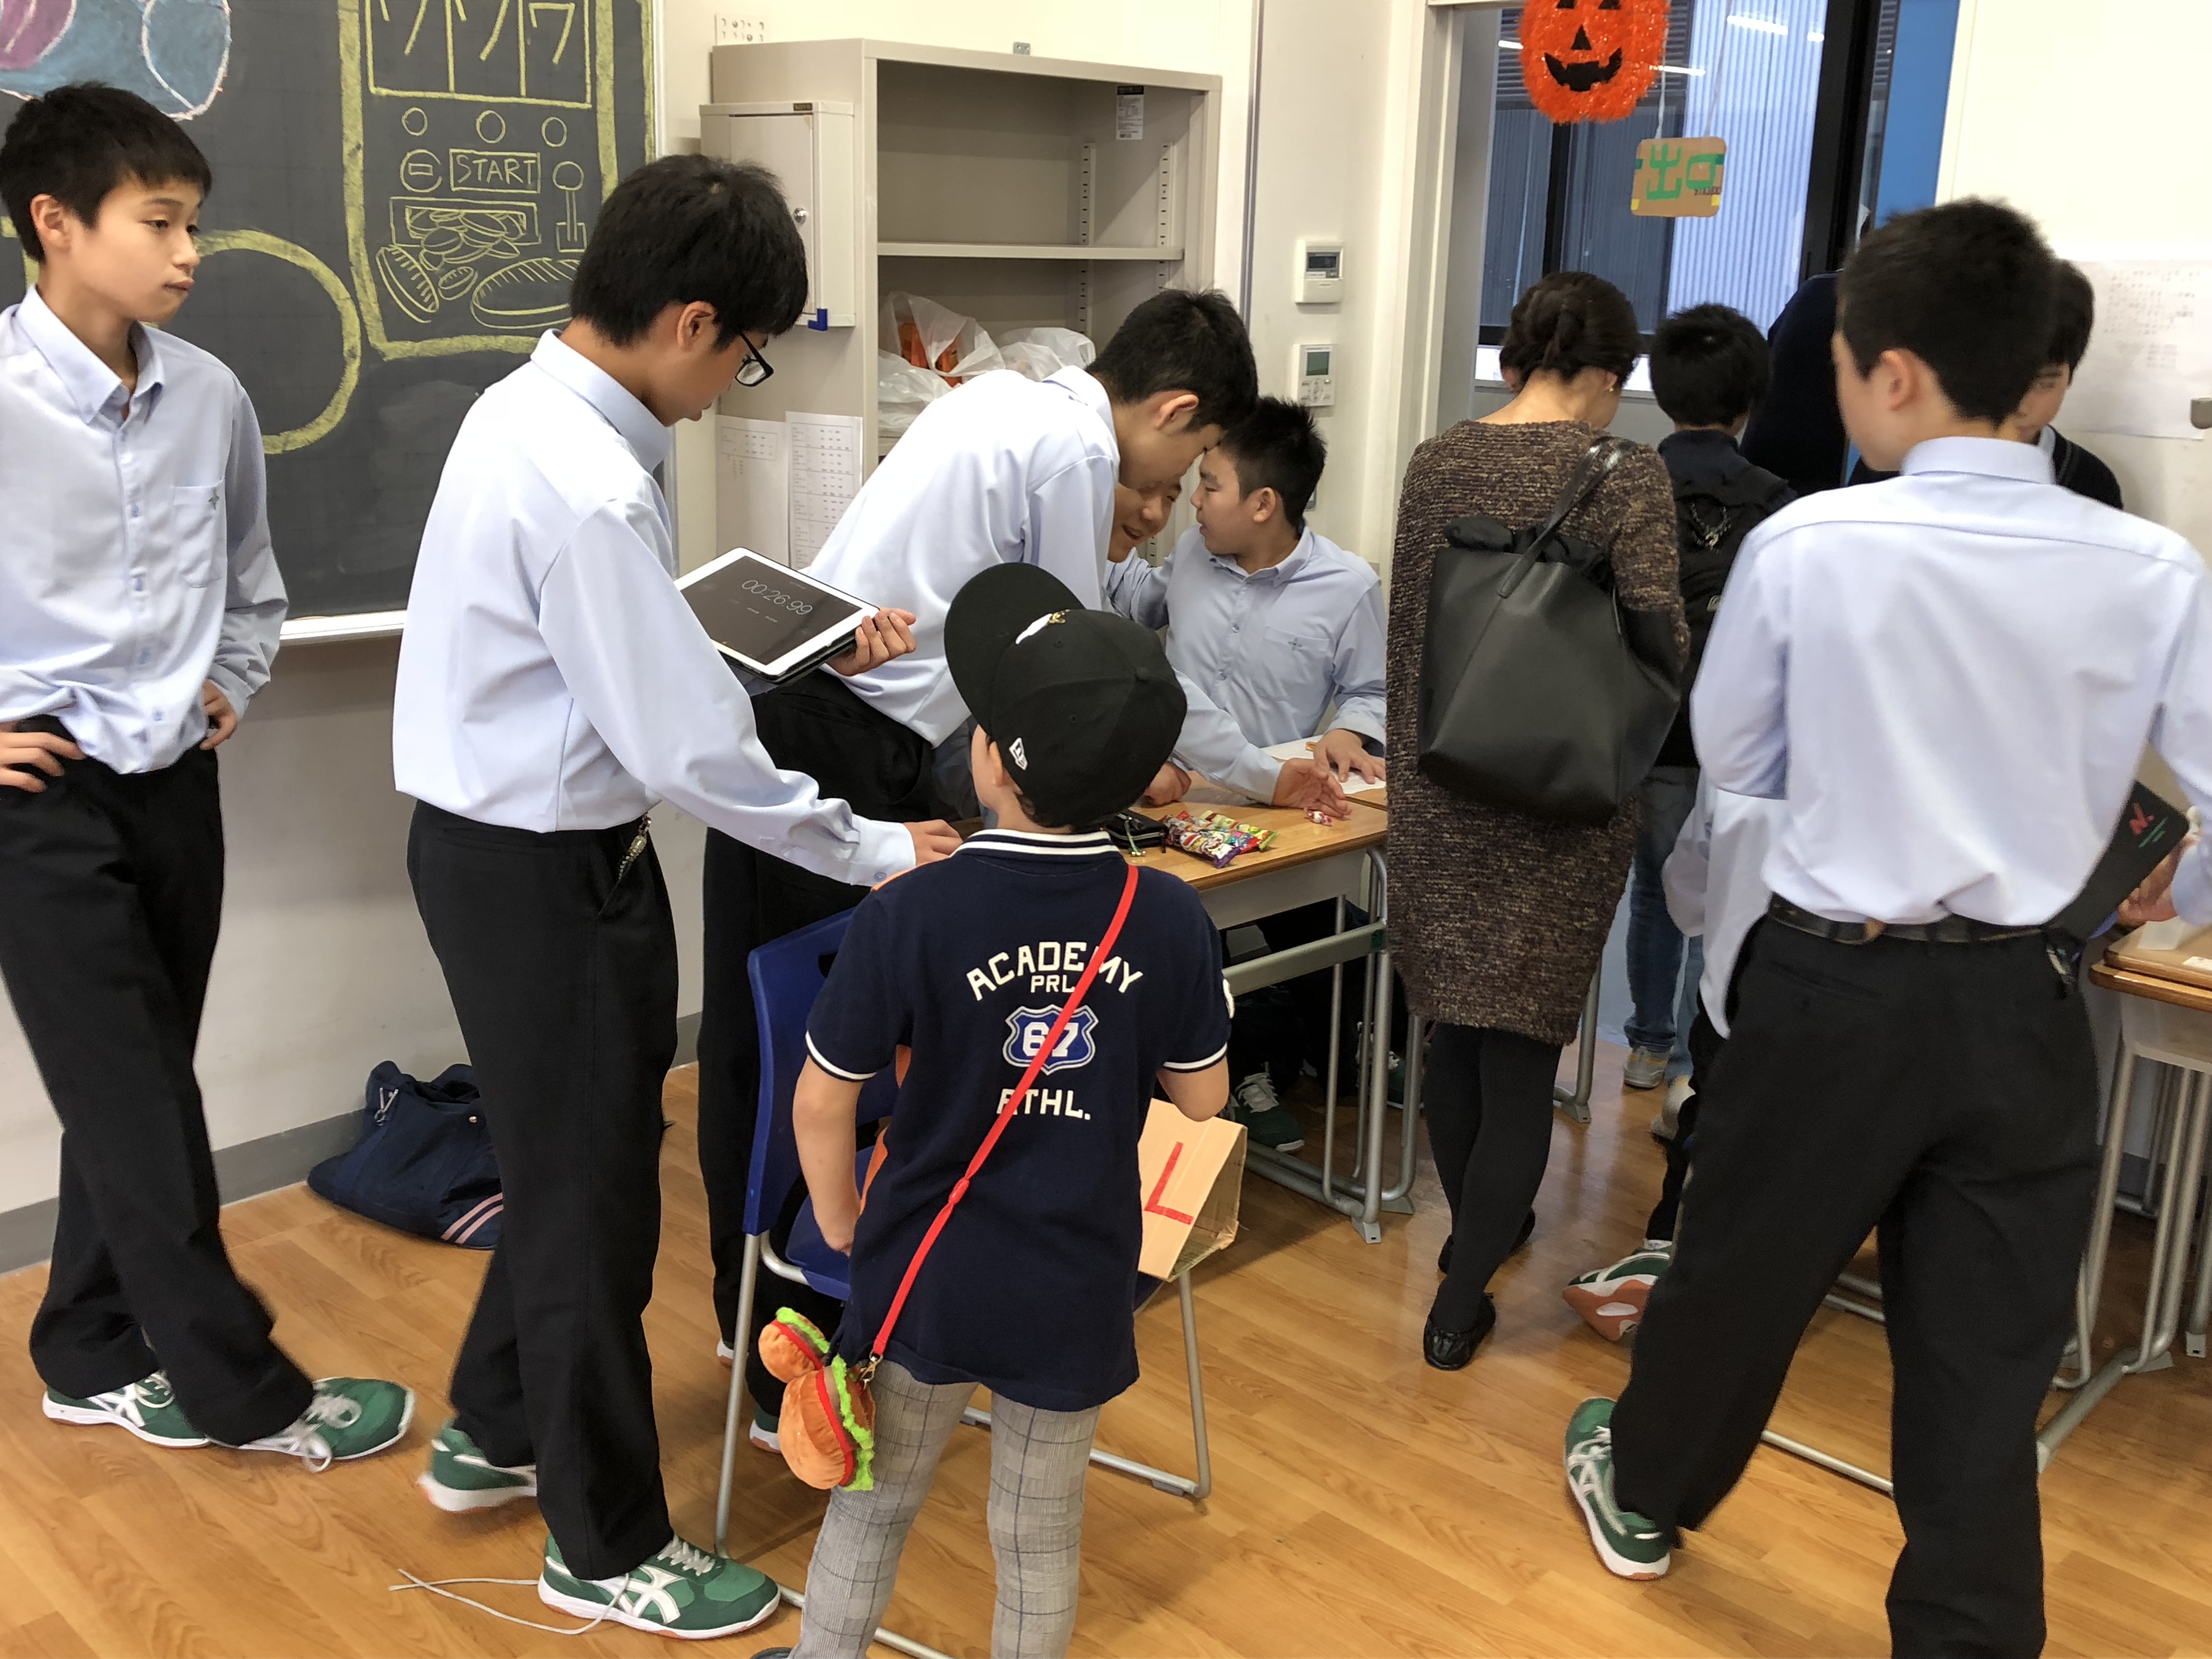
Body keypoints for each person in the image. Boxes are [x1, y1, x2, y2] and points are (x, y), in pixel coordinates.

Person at [1561, 199, 2212, 1657]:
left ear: (1897, 374)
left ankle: (1646, 1492)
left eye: (1845, 362)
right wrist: (2181, 886)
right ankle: (1969, 1632)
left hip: (1833, 982)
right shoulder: (2152, 566)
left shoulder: (1816, 543)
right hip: (2029, 999)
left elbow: (1739, 772)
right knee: (1987, 1347)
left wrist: (1753, 921)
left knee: (1741, 1272)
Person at [392, 154, 957, 1639]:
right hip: (546, 876)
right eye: (747, 355)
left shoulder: (526, 413)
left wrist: (794, 650)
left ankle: (497, 1422)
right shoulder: (588, 484)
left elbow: (622, 663)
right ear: (694, 322)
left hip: (502, 855)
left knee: (571, 1163)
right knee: (591, 1205)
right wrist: (876, 847)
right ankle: (605, 1544)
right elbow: (686, 752)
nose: (728, 391)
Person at [694, 290, 1297, 1442]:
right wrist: (1228, 770)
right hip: (852, 750)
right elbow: (1070, 672)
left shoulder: (1003, 403)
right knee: (823, 1045)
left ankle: (758, 1317)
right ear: (1174, 409)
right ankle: (796, 1361)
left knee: (766, 1039)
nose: (1168, 495)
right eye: (1188, 463)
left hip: (815, 719)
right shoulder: (1072, 448)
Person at [0, 84, 413, 1469]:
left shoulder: (212, 398)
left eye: (195, 226)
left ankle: (85, 1346)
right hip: (35, 800)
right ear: (55, 223)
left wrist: (232, 673)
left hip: (175, 784)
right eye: (159, 223)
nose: (188, 254)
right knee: (139, 1102)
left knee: (137, 1080)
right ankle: (249, 1392)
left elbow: (254, 580)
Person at [773, 562, 1232, 1659]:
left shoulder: (910, 909)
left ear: (988, 756)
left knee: (872, 1503)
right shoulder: (1168, 916)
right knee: (1037, 1531)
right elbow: (1203, 1101)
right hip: (1077, 1269)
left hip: (924, 1262)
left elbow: (822, 1100)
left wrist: (842, 1226)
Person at [1387, 271, 1686, 1370]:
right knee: (1520, 1055)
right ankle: (1460, 1296)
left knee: (1454, 1033)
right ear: (1605, 373)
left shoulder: (1436, 463)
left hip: (1439, 789)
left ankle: (1478, 1228)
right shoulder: (1627, 473)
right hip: (1560, 801)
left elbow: (1409, 634)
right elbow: (1661, 641)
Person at [1105, 397, 1384, 1152]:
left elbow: (1371, 690)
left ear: (1264, 504)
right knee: (1184, 934)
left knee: (1312, 930)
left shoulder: (1349, 585)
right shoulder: (1193, 554)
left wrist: (1349, 729)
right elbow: (1142, 605)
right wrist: (1107, 533)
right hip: (1173, 800)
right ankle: (1219, 1080)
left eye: (1209, 485)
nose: (1193, 502)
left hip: (1277, 810)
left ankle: (1300, 1059)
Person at [1620, 306, 1793, 1116]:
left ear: (1661, 393)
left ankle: (1645, 1047)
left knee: (1654, 891)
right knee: (1722, 896)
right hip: (1742, 741)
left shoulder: (1629, 487)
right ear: (1752, 399)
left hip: (1648, 728)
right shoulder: (1778, 505)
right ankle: (1696, 1062)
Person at [1562, 778, 1780, 1341]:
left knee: (1674, 905)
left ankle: (1665, 1250)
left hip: (1745, 991)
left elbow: (1689, 889)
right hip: (1869, 998)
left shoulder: (1747, 759)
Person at [1852, 259, 2123, 508]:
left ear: (2070, 376)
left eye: (2043, 384)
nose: (2018, 405)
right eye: (2001, 378)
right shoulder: (1896, 461)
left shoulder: (2089, 480)